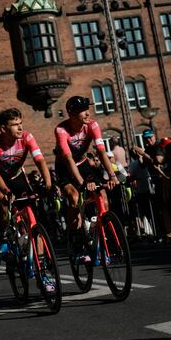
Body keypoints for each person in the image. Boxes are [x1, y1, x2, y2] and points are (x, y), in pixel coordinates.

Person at [0, 107, 53, 265]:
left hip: (17, 177)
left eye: (21, 123)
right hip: (0, 180)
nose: (20, 127)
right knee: (2, 200)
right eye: (15, 124)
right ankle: (3, 236)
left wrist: (47, 181)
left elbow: (40, 160)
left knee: (32, 218)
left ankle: (41, 264)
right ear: (3, 128)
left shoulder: (27, 137)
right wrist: (6, 191)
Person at [53, 95, 116, 262]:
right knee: (74, 197)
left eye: (88, 109)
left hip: (83, 164)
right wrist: (81, 183)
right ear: (72, 114)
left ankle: (100, 234)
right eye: (82, 111)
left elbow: (101, 152)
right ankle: (77, 243)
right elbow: (68, 158)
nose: (88, 113)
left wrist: (112, 175)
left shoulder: (92, 125)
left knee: (103, 196)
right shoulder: (61, 130)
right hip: (65, 168)